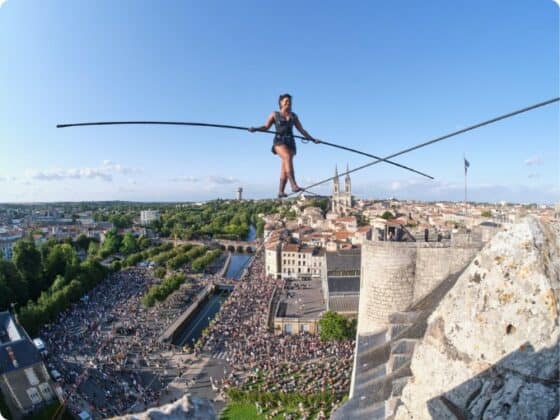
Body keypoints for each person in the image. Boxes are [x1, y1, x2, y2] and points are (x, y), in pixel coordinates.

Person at [249, 94, 320, 198]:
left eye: (290, 101)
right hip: (279, 142)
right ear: (281, 102)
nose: (288, 103)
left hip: (290, 142)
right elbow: (266, 127)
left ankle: (281, 191)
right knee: (287, 157)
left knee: (284, 167)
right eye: (286, 101)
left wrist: (313, 139)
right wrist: (255, 129)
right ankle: (293, 184)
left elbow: (301, 130)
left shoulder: (294, 116)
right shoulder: (274, 114)